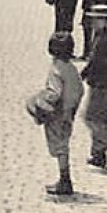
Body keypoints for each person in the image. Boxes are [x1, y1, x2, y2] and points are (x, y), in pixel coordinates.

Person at [26, 31, 83, 197]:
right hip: (70, 111)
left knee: (59, 147)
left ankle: (65, 181)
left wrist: (40, 101)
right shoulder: (72, 68)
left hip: (58, 113)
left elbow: (54, 93)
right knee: (64, 144)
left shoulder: (56, 69)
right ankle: (65, 179)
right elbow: (79, 89)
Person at [81, 4, 107, 169]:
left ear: (105, 21)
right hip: (101, 83)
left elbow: (95, 62)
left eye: (97, 19)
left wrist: (82, 75)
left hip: (103, 84)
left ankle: (103, 147)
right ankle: (100, 150)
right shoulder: (99, 36)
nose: (94, 22)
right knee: (96, 118)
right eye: (93, 19)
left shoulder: (104, 40)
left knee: (93, 118)